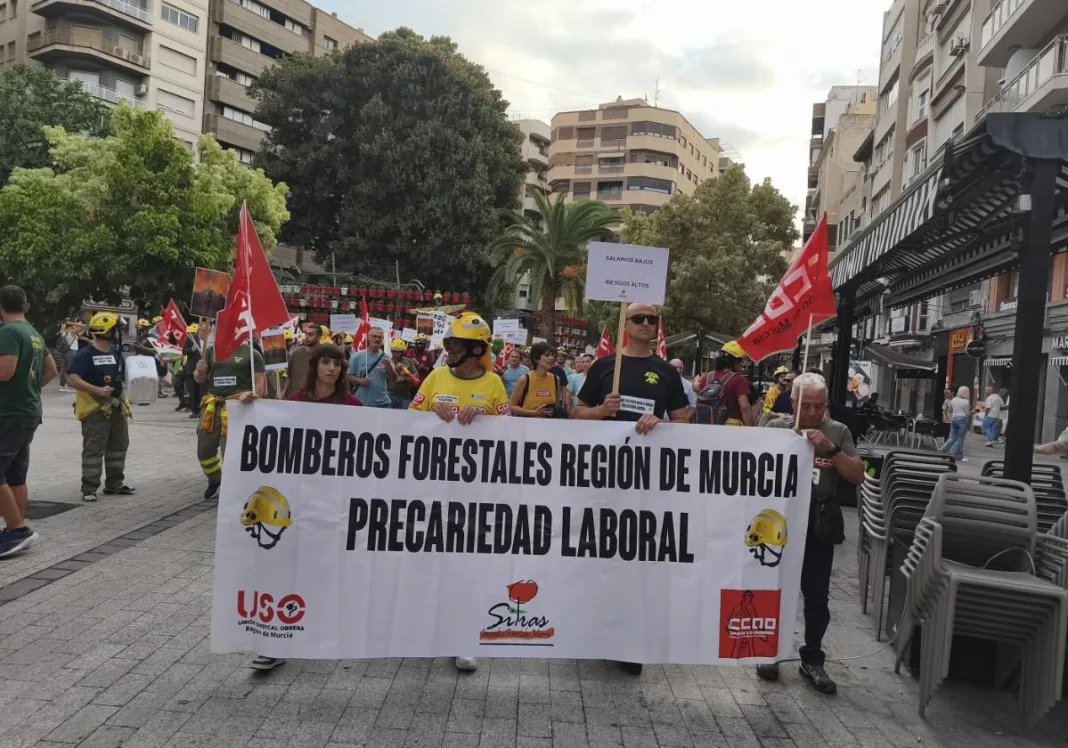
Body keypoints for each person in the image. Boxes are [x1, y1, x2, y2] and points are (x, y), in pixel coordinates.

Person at [576, 303, 689, 675]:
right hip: (605, 478)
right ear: (625, 323)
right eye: (638, 318)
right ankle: (593, 631)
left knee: (637, 561)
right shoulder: (605, 367)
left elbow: (684, 422)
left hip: (647, 484)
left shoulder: (665, 373)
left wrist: (662, 423)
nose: (645, 324)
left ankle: (628, 641)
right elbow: (577, 413)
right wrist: (599, 412)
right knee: (599, 554)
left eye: (651, 319)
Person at [410, 312, 510, 673]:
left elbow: (510, 435)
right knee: (429, 561)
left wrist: (483, 414)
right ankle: (426, 628)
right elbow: (408, 421)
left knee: (468, 566)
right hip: (434, 487)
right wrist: (428, 412)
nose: (447, 348)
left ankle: (463, 637)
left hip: (476, 492)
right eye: (447, 343)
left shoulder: (495, 384)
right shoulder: (435, 377)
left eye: (453, 344)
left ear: (474, 349)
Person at [758, 372, 864, 695]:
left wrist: (830, 449)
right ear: (793, 403)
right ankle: (770, 653)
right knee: (774, 590)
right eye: (807, 406)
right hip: (782, 519)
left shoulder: (838, 431)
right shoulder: (776, 428)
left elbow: (858, 474)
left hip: (819, 520)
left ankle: (813, 658)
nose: (813, 413)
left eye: (819, 406)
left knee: (816, 595)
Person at [0, 286, 56, 558]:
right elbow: (51, 370)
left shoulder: (9, 333)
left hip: (9, 413)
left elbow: (5, 371)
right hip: (28, 412)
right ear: (26, 306)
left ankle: (16, 529)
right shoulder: (33, 333)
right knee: (15, 474)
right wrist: (30, 389)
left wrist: (19, 389)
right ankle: (16, 529)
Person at [67, 312, 136, 503]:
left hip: (116, 408)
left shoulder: (115, 354)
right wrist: (96, 390)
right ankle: (89, 487)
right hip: (95, 410)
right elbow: (72, 378)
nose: (118, 334)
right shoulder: (85, 355)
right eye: (116, 330)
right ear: (106, 331)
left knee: (119, 446)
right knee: (94, 449)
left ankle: (114, 483)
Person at [193, 340, 266, 500]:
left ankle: (234, 490)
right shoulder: (211, 351)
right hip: (212, 408)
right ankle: (215, 480)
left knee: (232, 454)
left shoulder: (252, 354)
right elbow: (200, 379)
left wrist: (251, 398)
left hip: (238, 409)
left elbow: (259, 386)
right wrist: (199, 371)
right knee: (204, 450)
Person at [697, 341, 753, 426]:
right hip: (730, 430)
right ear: (735, 361)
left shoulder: (708, 377)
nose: (741, 366)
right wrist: (751, 430)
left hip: (707, 428)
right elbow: (745, 407)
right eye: (740, 362)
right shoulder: (739, 379)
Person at [510, 341, 565, 418]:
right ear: (536, 358)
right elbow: (512, 407)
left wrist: (554, 412)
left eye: (552, 355)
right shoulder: (525, 379)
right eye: (547, 355)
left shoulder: (556, 379)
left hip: (548, 426)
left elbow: (556, 405)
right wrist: (534, 413)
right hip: (527, 425)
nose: (551, 358)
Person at [348, 327, 392, 408]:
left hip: (382, 403)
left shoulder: (386, 357)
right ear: (368, 337)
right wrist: (359, 380)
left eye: (380, 337)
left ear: (382, 339)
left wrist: (390, 367)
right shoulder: (356, 357)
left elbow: (394, 379)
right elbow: (348, 376)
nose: (377, 339)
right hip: (361, 402)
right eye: (374, 336)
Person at [940, 386, 975, 462]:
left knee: (953, 437)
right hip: (962, 420)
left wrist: (957, 411)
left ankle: (944, 448)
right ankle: (958, 456)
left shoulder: (954, 400)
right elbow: (967, 414)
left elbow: (950, 410)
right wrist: (974, 411)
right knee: (960, 439)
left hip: (954, 419)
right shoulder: (965, 401)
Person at [387, 338, 420, 409]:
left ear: (402, 352)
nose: (395, 354)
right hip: (389, 396)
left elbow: (416, 376)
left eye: (398, 352)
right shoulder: (388, 362)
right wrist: (395, 370)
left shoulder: (408, 362)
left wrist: (404, 377)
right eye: (393, 351)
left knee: (403, 419)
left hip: (404, 397)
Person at [57, 319, 81, 393]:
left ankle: (63, 384)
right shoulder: (71, 333)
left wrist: (63, 326)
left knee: (64, 367)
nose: (75, 326)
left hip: (64, 351)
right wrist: (74, 323)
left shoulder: (63, 332)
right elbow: (83, 327)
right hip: (71, 351)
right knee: (70, 368)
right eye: (73, 326)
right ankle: (69, 385)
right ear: (70, 327)